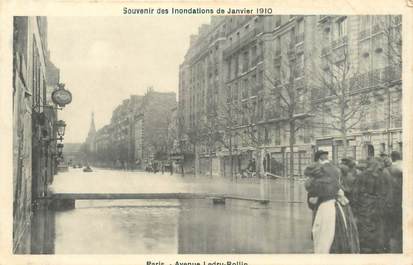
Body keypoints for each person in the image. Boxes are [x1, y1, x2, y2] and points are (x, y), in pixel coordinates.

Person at [305, 150, 359, 253]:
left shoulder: (318, 172)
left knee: (322, 235)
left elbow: (311, 193)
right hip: (338, 205)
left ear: (318, 160)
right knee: (338, 233)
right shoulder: (336, 170)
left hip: (323, 206)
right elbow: (340, 188)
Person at [352, 157, 393, 253]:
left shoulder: (362, 175)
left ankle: (367, 248)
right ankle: (380, 247)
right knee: (380, 226)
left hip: (366, 206)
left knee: (366, 227)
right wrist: (388, 205)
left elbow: (355, 193)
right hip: (380, 205)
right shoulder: (385, 175)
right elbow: (389, 191)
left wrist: (355, 208)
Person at [386, 151, 403, 253]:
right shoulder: (405, 165)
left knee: (395, 218)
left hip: (395, 197)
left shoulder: (392, 168)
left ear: (392, 158)